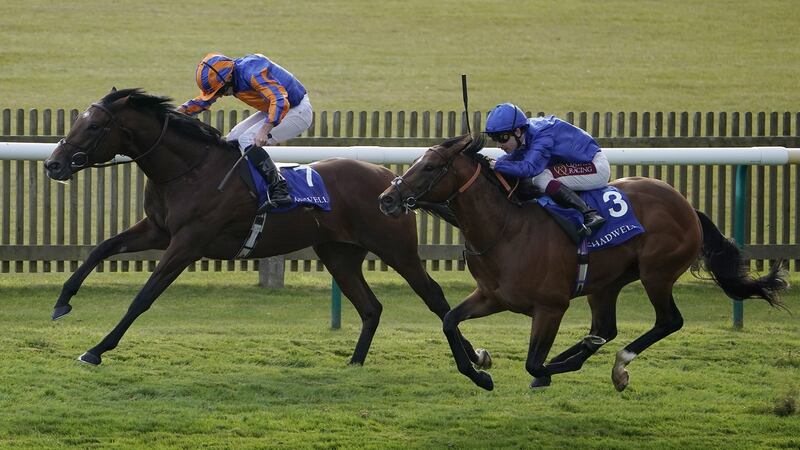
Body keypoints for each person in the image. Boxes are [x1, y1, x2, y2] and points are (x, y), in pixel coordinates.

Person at [177, 53, 313, 212]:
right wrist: (176, 113)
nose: (219, 95)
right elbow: (203, 101)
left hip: (297, 110)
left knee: (248, 139)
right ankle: (242, 186)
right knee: (232, 139)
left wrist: (264, 130)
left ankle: (280, 189)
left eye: (220, 91)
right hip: (274, 108)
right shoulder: (229, 75)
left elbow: (280, 100)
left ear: (227, 79)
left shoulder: (253, 73)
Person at [485, 103, 609, 236]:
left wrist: (495, 165)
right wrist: (485, 162)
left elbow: (529, 168)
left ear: (517, 131)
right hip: (578, 164)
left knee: (541, 178)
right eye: (495, 139)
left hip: (595, 166)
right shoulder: (526, 133)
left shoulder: (543, 135)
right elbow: (511, 160)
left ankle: (590, 214)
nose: (498, 145)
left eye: (502, 138)